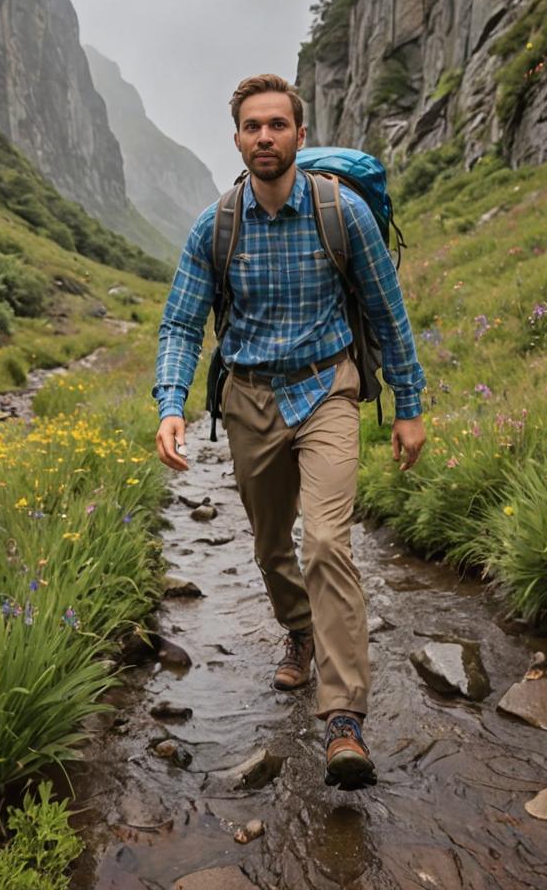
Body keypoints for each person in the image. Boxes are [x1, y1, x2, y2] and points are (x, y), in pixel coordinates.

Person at [153, 73, 426, 790]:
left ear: (301, 136)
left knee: (329, 540)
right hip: (249, 398)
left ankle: (343, 720)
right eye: (253, 126)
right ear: (237, 138)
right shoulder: (215, 227)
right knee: (272, 543)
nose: (266, 137)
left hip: (328, 387)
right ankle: (299, 630)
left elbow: (387, 310)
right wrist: (170, 404)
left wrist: (409, 404)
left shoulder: (343, 215)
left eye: (278, 125)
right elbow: (182, 323)